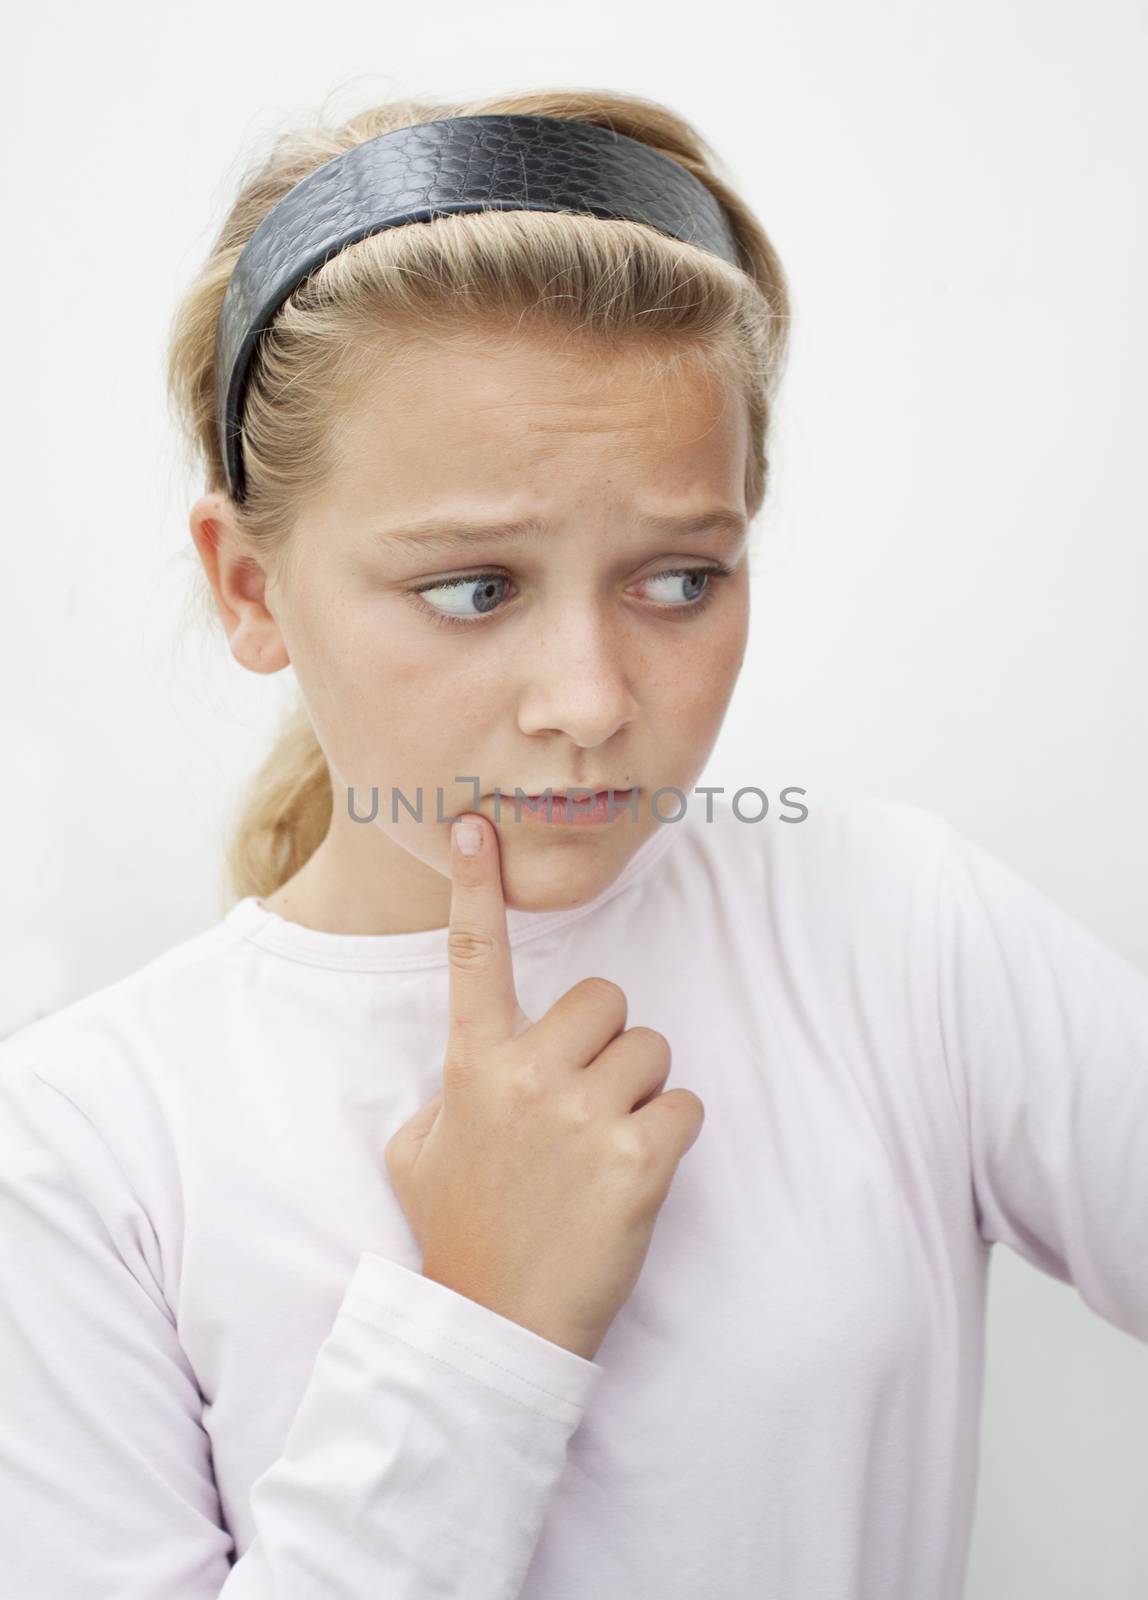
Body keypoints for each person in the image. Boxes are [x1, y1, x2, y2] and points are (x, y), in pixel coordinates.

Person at [1, 85, 1145, 1600]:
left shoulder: (896, 929)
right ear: (251, 590)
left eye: (679, 580)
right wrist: (479, 1323)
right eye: (476, 589)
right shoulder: (81, 1146)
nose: (594, 706)